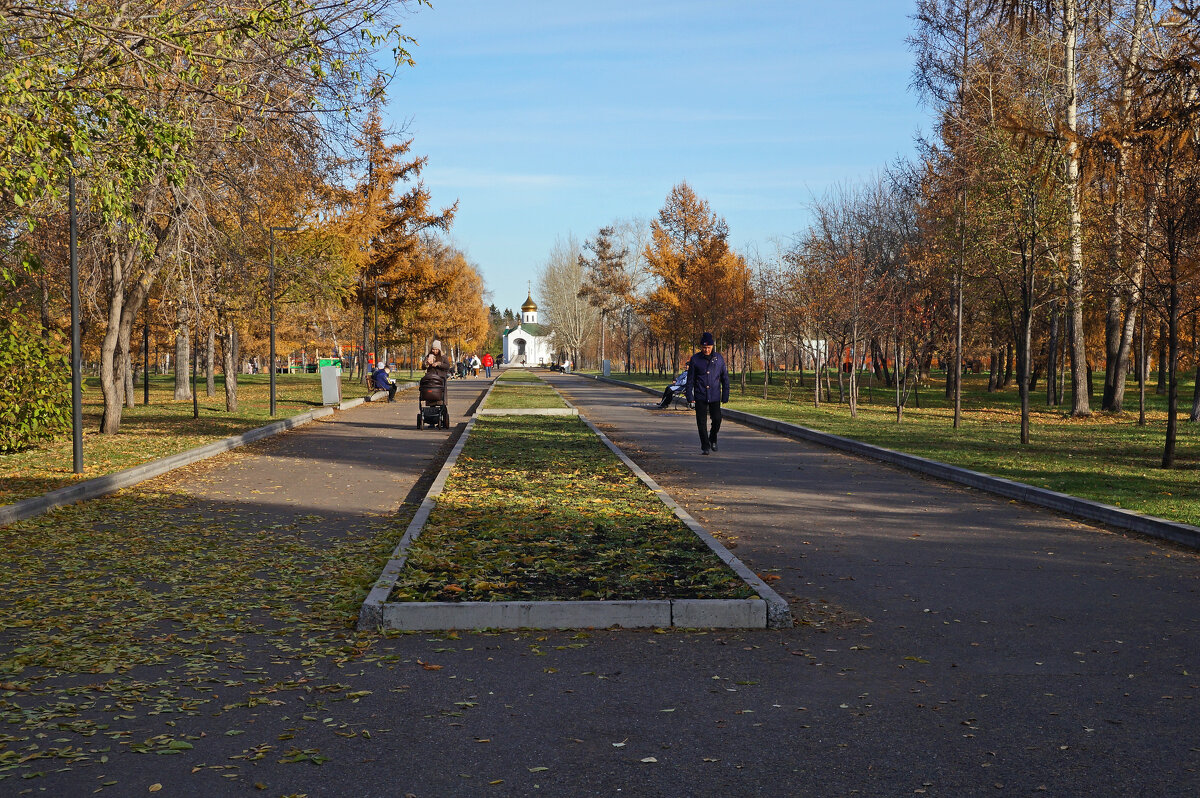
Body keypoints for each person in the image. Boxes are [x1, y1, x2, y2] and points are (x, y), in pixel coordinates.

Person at [684, 331, 729, 455]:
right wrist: (690, 396)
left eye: (708, 347)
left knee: (717, 419)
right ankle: (705, 445)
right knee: (701, 422)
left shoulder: (719, 359)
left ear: (712, 346)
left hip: (714, 395)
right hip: (700, 394)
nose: (706, 350)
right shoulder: (695, 359)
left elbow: (725, 378)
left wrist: (725, 394)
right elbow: (690, 379)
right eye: (704, 347)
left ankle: (713, 438)